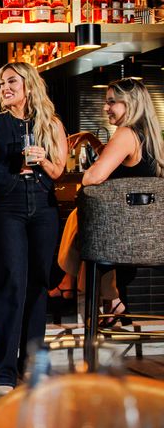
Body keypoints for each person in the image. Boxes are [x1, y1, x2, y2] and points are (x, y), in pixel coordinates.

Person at [0, 61, 68, 395]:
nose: (5, 87)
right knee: (12, 281)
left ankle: (33, 365)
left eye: (11, 81)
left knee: (39, 283)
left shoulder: (51, 123)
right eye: (1, 82)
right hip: (8, 205)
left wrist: (43, 159)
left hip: (43, 204)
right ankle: (4, 370)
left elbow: (58, 173)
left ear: (29, 84)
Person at [49, 78, 164, 323]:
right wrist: (92, 139)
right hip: (148, 234)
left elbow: (93, 177)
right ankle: (106, 298)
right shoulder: (149, 135)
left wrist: (88, 174)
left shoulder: (126, 133)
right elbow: (124, 165)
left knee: (83, 212)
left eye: (112, 102)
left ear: (130, 104)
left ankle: (85, 289)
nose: (105, 108)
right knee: (82, 216)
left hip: (119, 236)